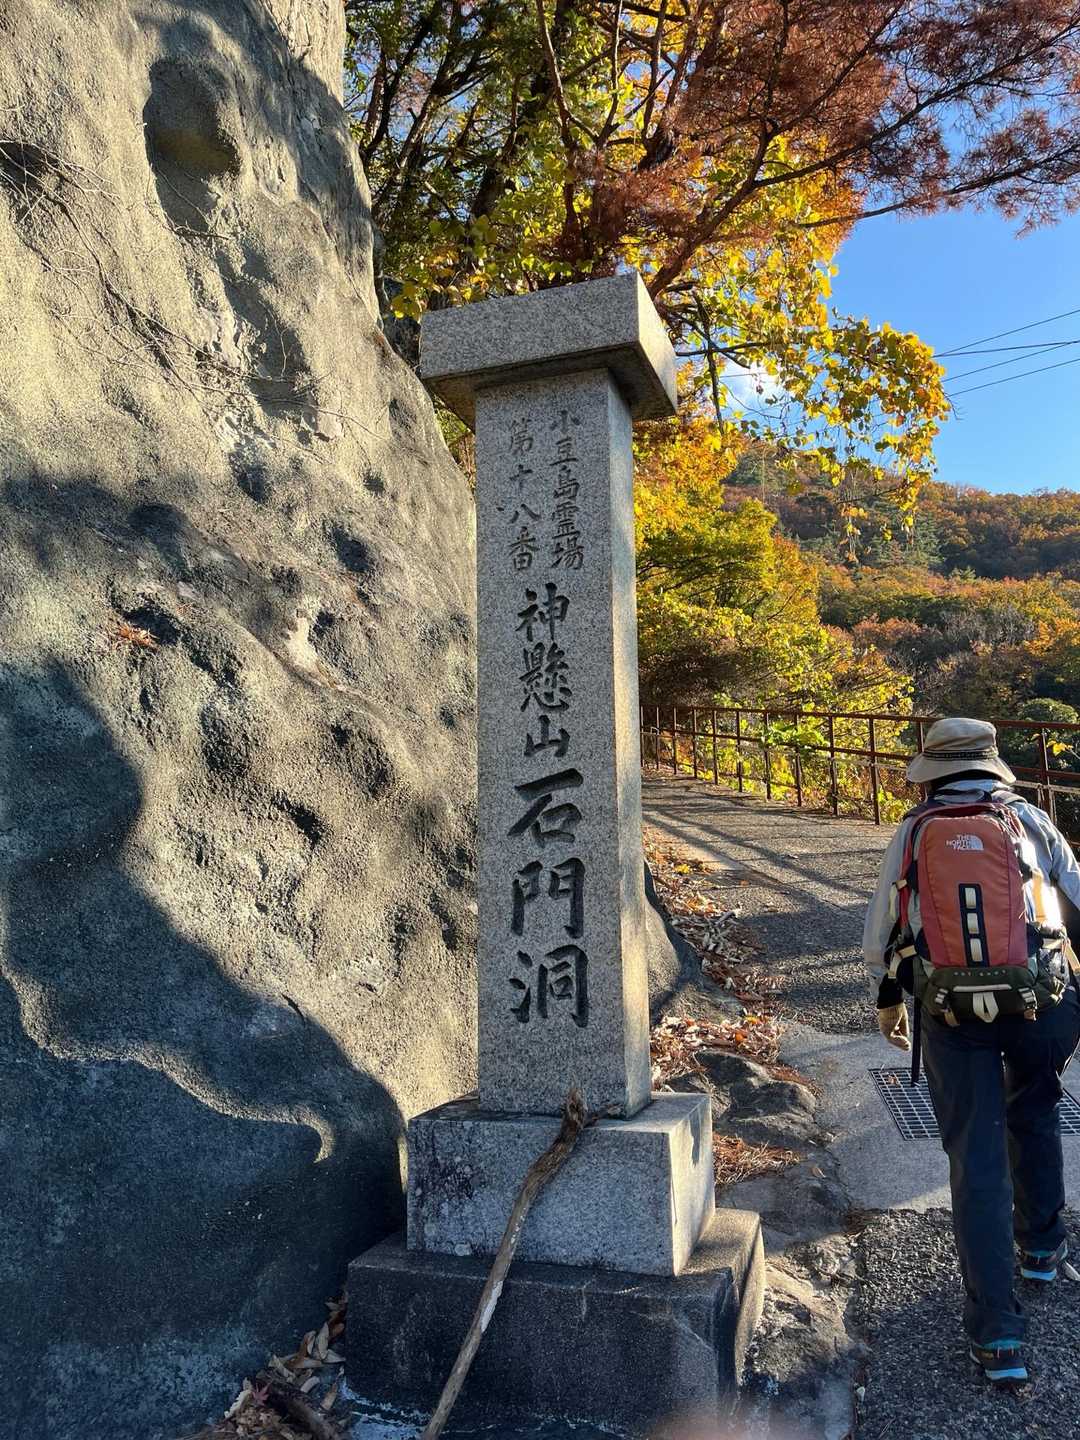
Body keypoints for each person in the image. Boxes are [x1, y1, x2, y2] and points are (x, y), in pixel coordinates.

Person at [864, 717, 1080, 1388]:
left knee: (976, 1155)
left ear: (930, 773)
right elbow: (1075, 902)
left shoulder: (914, 830)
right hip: (1041, 1003)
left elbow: (881, 934)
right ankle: (1042, 1248)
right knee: (1036, 1109)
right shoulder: (1031, 819)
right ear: (992, 765)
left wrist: (890, 1001)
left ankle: (997, 1335)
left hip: (951, 1009)